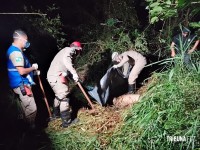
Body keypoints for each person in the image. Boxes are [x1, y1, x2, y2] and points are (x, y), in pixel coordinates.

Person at [6, 29, 39, 129]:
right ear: (20, 39)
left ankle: (25, 128)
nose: (27, 43)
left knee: (26, 107)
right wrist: (33, 68)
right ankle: (30, 128)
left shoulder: (17, 51)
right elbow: (21, 71)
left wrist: (33, 72)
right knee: (32, 108)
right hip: (21, 84)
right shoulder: (16, 53)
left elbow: (21, 68)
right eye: (26, 40)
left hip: (21, 83)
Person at [47, 41, 82, 128]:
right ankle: (67, 122)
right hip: (57, 76)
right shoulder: (69, 50)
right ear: (77, 49)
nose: (77, 54)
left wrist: (73, 77)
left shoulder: (63, 51)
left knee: (59, 95)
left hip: (52, 76)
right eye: (78, 51)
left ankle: (56, 115)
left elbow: (66, 68)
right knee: (64, 98)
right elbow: (67, 62)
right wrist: (74, 73)